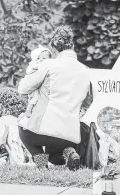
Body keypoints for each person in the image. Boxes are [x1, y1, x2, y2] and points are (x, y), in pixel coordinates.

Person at [17, 25, 90, 170]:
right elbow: (88, 102)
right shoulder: (85, 70)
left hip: (42, 132)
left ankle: (41, 165)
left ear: (54, 49)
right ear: (73, 46)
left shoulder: (48, 65)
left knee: (22, 128)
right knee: (56, 157)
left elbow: (22, 89)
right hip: (71, 136)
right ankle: (70, 152)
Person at [18, 46, 52, 129]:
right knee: (34, 99)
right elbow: (29, 71)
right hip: (34, 89)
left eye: (44, 58)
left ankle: (29, 112)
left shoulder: (48, 68)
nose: (41, 60)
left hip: (39, 90)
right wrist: (34, 67)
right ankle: (28, 111)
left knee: (35, 101)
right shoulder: (34, 66)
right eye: (38, 58)